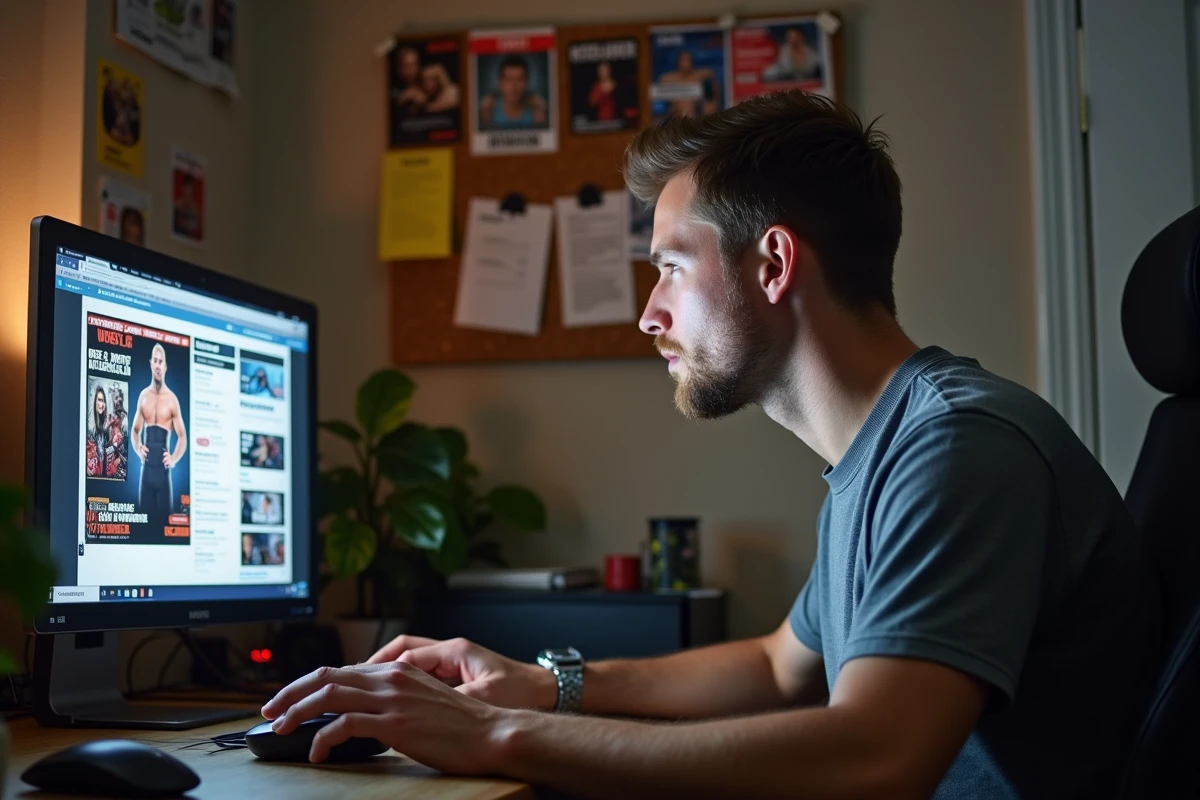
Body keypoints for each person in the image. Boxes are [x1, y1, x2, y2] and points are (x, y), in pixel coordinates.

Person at [260, 92, 1159, 797]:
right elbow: (778, 665)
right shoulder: (890, 452)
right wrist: (543, 686)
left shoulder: (957, 449)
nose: (649, 315)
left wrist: (492, 734)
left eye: (671, 268)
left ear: (772, 265)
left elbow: (875, 760)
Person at [132, 344, 186, 532]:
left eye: (160, 361)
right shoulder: (143, 397)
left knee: (164, 530)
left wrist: (173, 458)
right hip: (146, 475)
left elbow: (182, 436)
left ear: (165, 366)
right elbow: (135, 430)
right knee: (143, 530)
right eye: (154, 360)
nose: (157, 364)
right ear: (150, 364)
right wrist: (138, 447)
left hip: (163, 478)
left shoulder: (171, 399)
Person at [480, 55, 546, 129]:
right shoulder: (488, 113)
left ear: (527, 82)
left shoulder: (537, 114)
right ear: (500, 83)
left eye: (519, 79)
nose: (514, 86)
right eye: (509, 79)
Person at [657, 49, 719, 118]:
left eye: (687, 60)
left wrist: (712, 103)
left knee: (709, 105)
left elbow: (712, 77)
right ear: (677, 62)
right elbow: (658, 103)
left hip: (694, 116)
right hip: (674, 117)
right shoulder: (668, 79)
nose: (685, 63)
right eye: (682, 60)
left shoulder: (701, 75)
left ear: (692, 61)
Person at [173, 173, 201, 239]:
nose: (188, 191)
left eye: (190, 188)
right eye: (186, 187)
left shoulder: (195, 208)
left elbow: (196, 227)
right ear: (183, 188)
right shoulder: (177, 204)